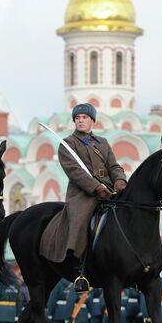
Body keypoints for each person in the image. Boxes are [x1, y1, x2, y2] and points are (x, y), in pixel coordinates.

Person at [40, 103, 127, 293]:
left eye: (84, 117)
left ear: (92, 120)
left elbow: (113, 166)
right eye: (77, 118)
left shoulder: (102, 142)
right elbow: (75, 171)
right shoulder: (68, 144)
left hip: (110, 189)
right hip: (83, 192)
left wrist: (120, 181)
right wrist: (95, 187)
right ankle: (80, 269)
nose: (80, 120)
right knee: (81, 219)